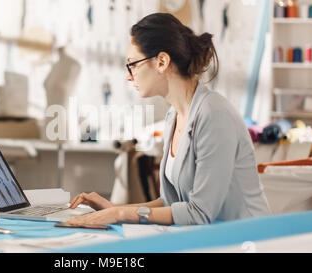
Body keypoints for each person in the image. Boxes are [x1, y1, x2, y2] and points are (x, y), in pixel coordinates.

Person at [65, 13, 270, 226]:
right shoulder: (174, 115)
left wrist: (121, 215)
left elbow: (199, 214)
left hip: (245, 240)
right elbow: (170, 204)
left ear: (162, 62)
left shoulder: (214, 115)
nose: (128, 75)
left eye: (133, 64)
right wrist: (114, 210)